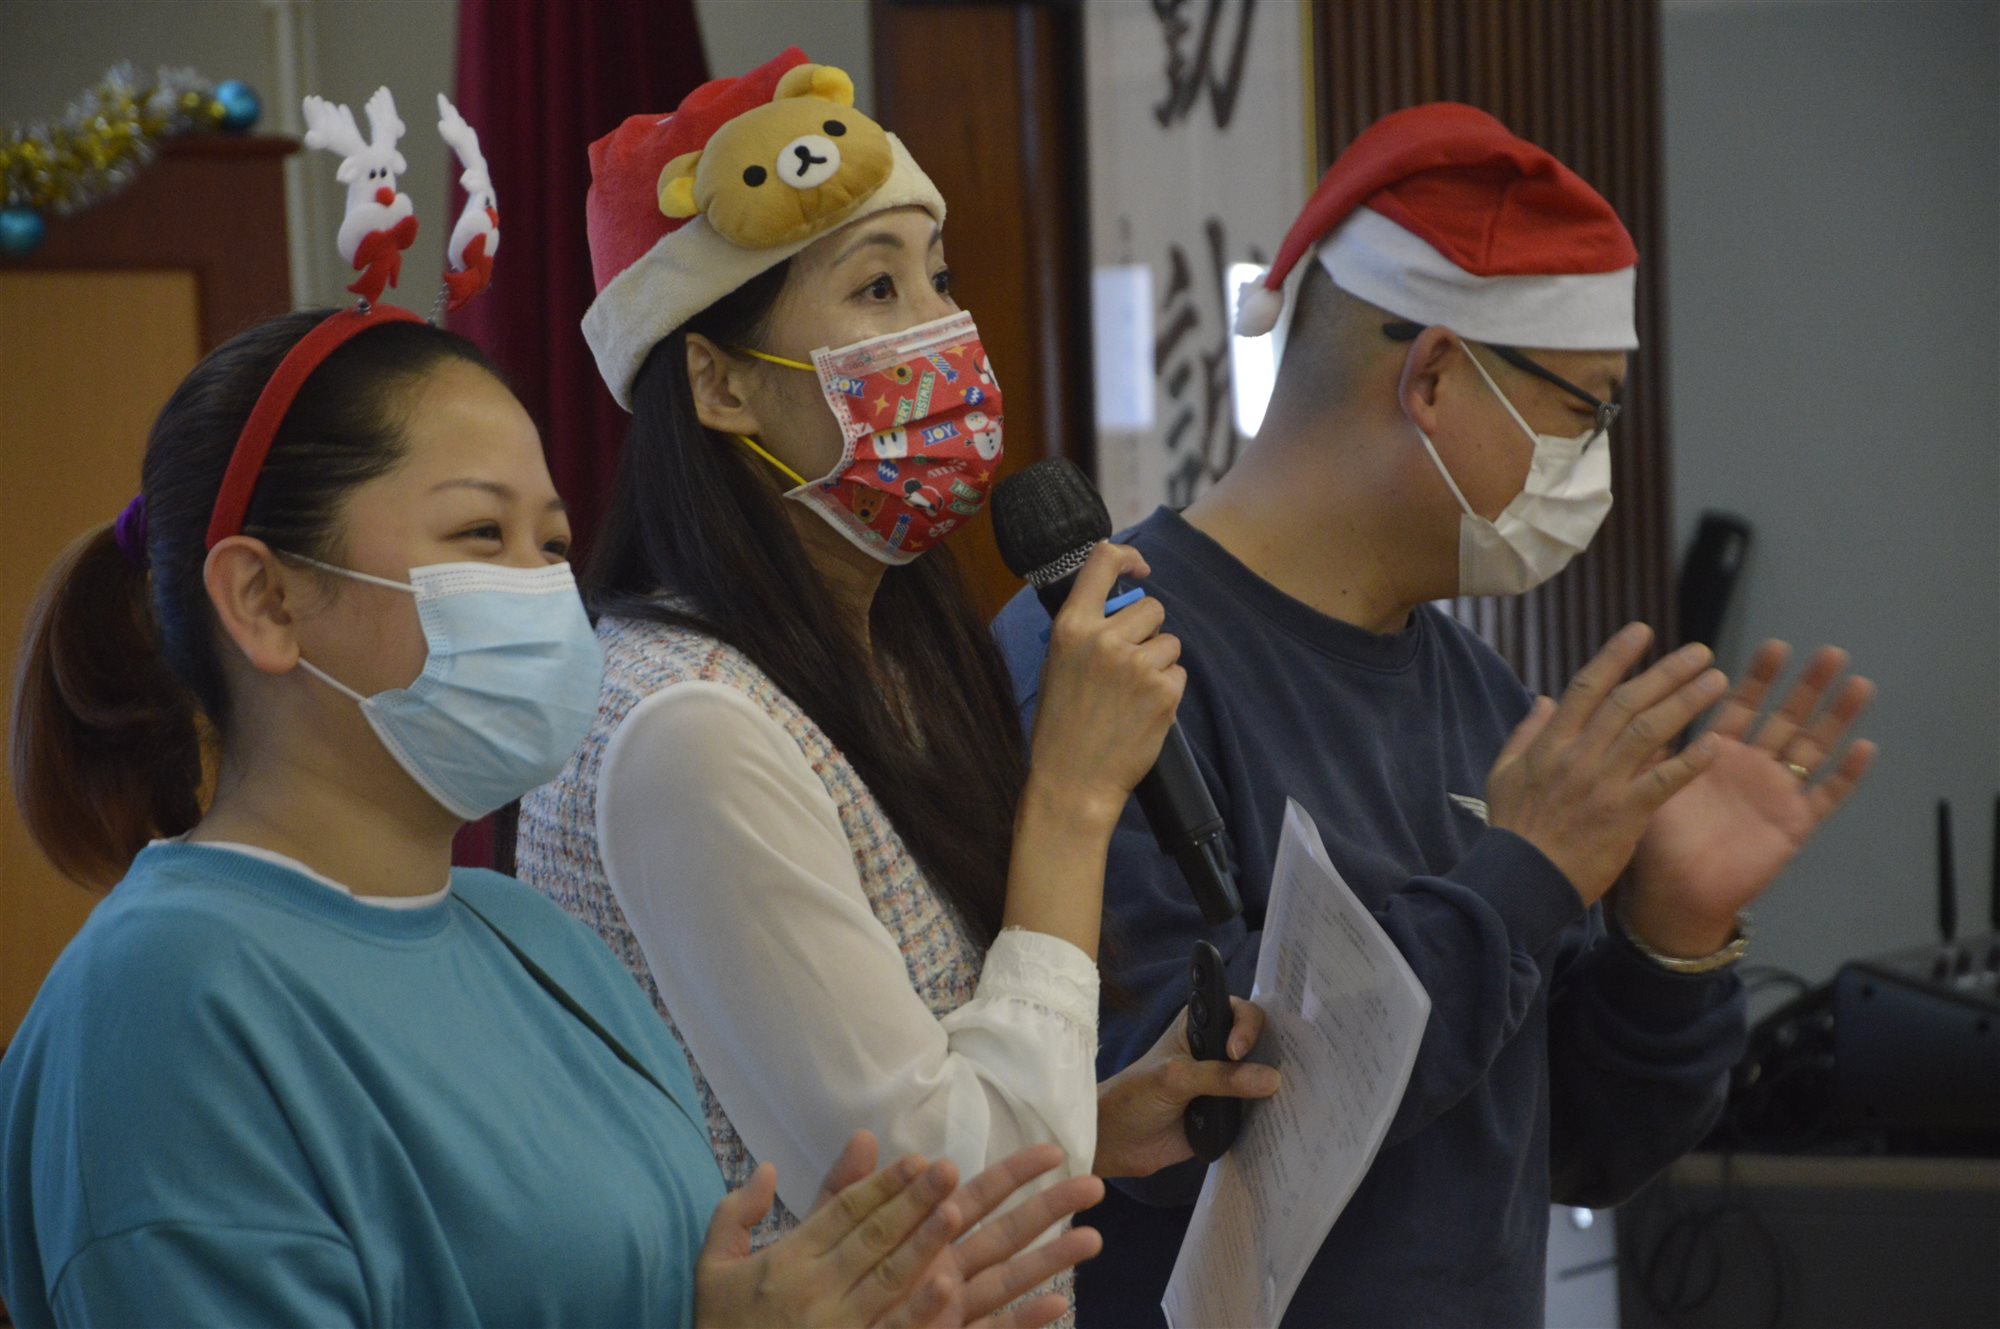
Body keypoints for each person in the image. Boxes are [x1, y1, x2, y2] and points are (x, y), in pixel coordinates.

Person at [0, 299, 1102, 1324]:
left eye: (553, 546)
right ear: (265, 598)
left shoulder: (533, 942)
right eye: (481, 536)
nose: (539, 592)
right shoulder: (165, 1000)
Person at [993, 102, 1878, 1326]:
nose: (1595, 463)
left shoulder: (1481, 697)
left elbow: (1582, 1146)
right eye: (1585, 411)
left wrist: (1669, 940)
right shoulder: (1106, 656)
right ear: (1434, 374)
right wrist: (1521, 876)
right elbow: (1170, 1117)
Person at [515, 48, 1279, 1318]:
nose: (943, 334)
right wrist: (1072, 800)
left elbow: (896, 1105)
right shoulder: (685, 725)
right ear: (717, 383)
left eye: (938, 278)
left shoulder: (873, 656)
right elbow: (939, 1197)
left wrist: (1087, 1119)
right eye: (876, 287)